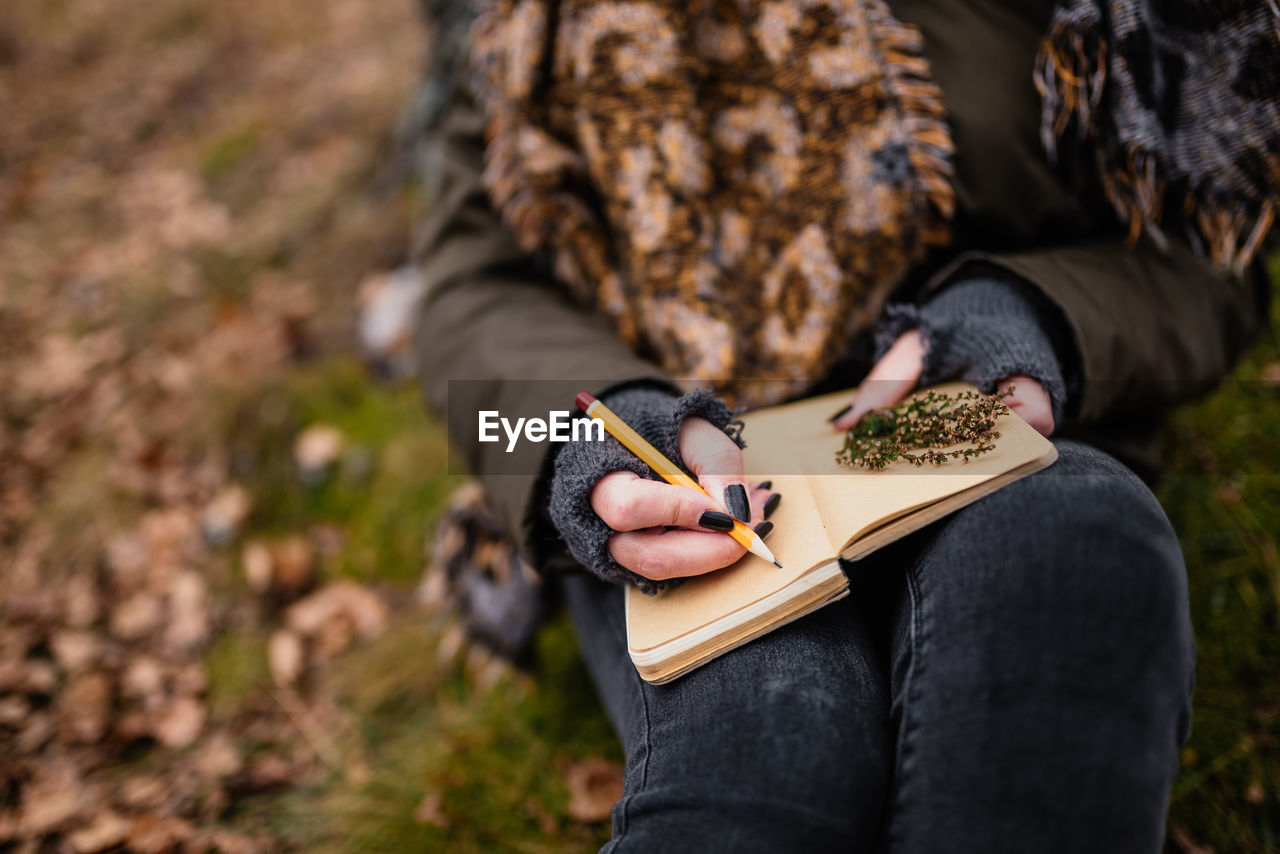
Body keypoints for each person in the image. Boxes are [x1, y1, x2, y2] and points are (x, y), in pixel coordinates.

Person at [409, 0, 1274, 850]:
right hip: (685, 472)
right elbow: (473, 286)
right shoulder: (506, 25)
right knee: (758, 749)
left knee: (1071, 560)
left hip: (980, 411)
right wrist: (599, 428)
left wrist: (1032, 313)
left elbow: (1206, 241)